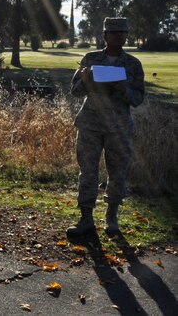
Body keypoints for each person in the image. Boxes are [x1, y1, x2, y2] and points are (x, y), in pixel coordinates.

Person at [67, 17, 144, 236]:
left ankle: (112, 218)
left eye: (123, 32)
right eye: (114, 32)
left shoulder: (133, 64)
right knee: (88, 173)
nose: (119, 36)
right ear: (105, 35)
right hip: (91, 125)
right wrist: (85, 80)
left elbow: (138, 98)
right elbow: (75, 91)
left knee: (118, 173)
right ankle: (86, 219)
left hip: (119, 128)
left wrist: (123, 89)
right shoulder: (91, 59)